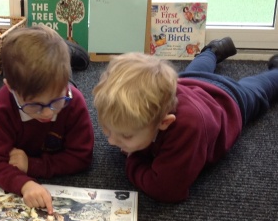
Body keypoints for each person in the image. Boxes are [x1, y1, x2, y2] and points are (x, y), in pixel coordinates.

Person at [93, 37, 278, 203]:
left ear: (164, 122)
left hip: (228, 99)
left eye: (126, 135)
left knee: (259, 88)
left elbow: (165, 189)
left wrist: (133, 159)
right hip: (189, 82)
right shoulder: (160, 96)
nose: (111, 141)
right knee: (196, 70)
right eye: (107, 130)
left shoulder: (187, 129)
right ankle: (212, 51)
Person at [0, 24, 94, 214]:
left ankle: (69, 53)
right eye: (34, 106)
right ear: (10, 88)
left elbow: (82, 157)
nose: (48, 113)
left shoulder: (73, 101)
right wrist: (24, 184)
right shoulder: (1, 108)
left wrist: (32, 166)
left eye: (56, 101)